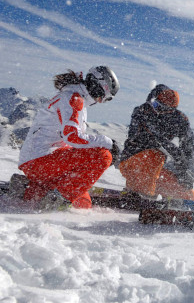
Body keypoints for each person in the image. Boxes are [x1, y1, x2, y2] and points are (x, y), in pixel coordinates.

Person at [18, 66, 120, 209]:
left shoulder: (76, 97)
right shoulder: (74, 98)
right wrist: (107, 143)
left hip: (39, 161)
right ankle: (57, 200)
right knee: (103, 156)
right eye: (104, 97)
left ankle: (32, 189)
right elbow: (72, 137)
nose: (100, 101)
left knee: (83, 204)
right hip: (39, 161)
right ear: (99, 87)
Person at [119, 84, 194, 201]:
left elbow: (188, 145)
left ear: (171, 109)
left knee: (187, 196)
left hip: (155, 170)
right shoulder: (142, 112)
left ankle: (147, 190)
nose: (157, 109)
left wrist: (184, 168)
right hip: (132, 161)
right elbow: (149, 137)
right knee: (155, 155)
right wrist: (175, 152)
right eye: (155, 104)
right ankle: (141, 194)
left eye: (161, 107)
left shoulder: (178, 119)